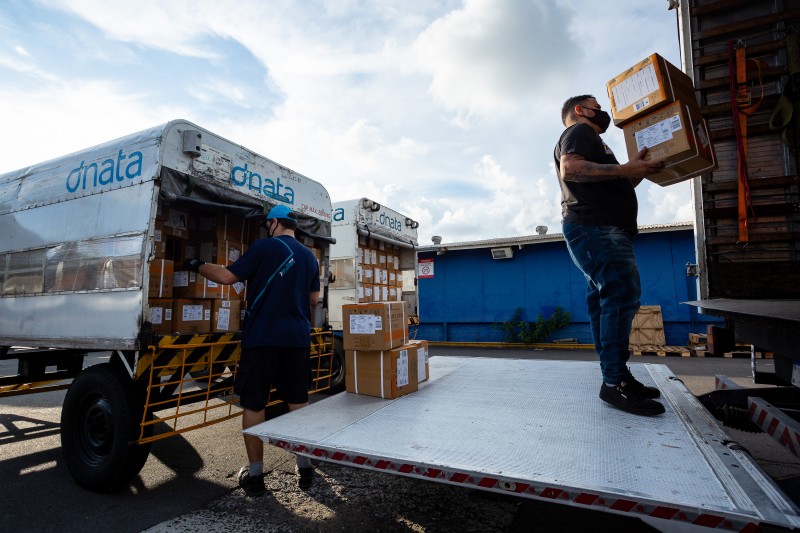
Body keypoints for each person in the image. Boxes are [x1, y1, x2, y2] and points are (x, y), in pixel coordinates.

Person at [185, 204, 320, 495]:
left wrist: (195, 264)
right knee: (298, 402)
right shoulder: (310, 257)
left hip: (262, 339)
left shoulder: (264, 247)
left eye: (266, 224)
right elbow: (313, 299)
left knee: (255, 404)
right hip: (296, 339)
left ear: (273, 223)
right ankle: (305, 467)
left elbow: (226, 277)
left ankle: (256, 475)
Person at [553, 94, 667, 417]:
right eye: (597, 108)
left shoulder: (595, 143)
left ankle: (616, 378)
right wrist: (625, 168)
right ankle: (614, 381)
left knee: (604, 300)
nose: (602, 113)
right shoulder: (579, 133)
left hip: (595, 228)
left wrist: (638, 169)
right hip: (596, 227)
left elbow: (620, 178)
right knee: (621, 293)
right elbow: (571, 169)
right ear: (580, 110)